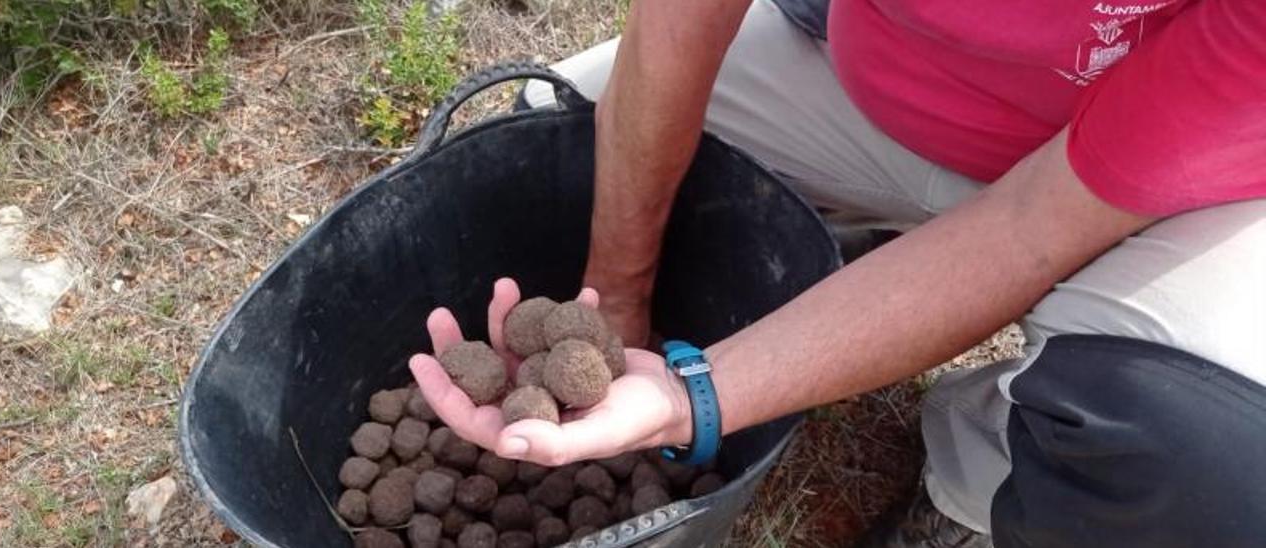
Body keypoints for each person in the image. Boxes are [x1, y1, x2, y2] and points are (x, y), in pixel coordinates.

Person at [410, 0, 1266, 546]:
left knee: (1203, 450)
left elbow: (1029, 226)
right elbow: (677, 25)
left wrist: (689, 397)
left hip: (1160, 195)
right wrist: (615, 299)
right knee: (549, 139)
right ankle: (842, 245)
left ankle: (976, 487)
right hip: (876, 90)